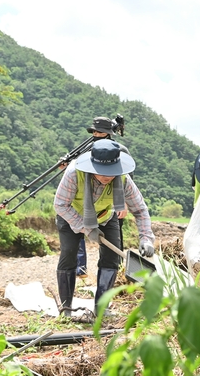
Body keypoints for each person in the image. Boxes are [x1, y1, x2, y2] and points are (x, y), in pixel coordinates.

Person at [54, 139, 155, 317]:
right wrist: (85, 227)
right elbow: (61, 205)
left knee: (112, 258)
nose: (107, 176)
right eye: (102, 172)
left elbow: (140, 210)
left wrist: (146, 238)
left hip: (105, 216)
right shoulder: (73, 173)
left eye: (111, 172)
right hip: (72, 215)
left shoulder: (123, 180)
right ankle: (66, 309)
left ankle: (101, 308)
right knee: (69, 254)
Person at [75, 117, 130, 279]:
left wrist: (124, 202)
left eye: (99, 132)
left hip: (112, 203)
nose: (95, 134)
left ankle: (117, 271)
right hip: (87, 202)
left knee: (114, 237)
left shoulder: (121, 151)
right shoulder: (88, 150)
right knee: (77, 230)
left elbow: (127, 179)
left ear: (108, 134)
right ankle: (81, 268)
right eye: (94, 131)